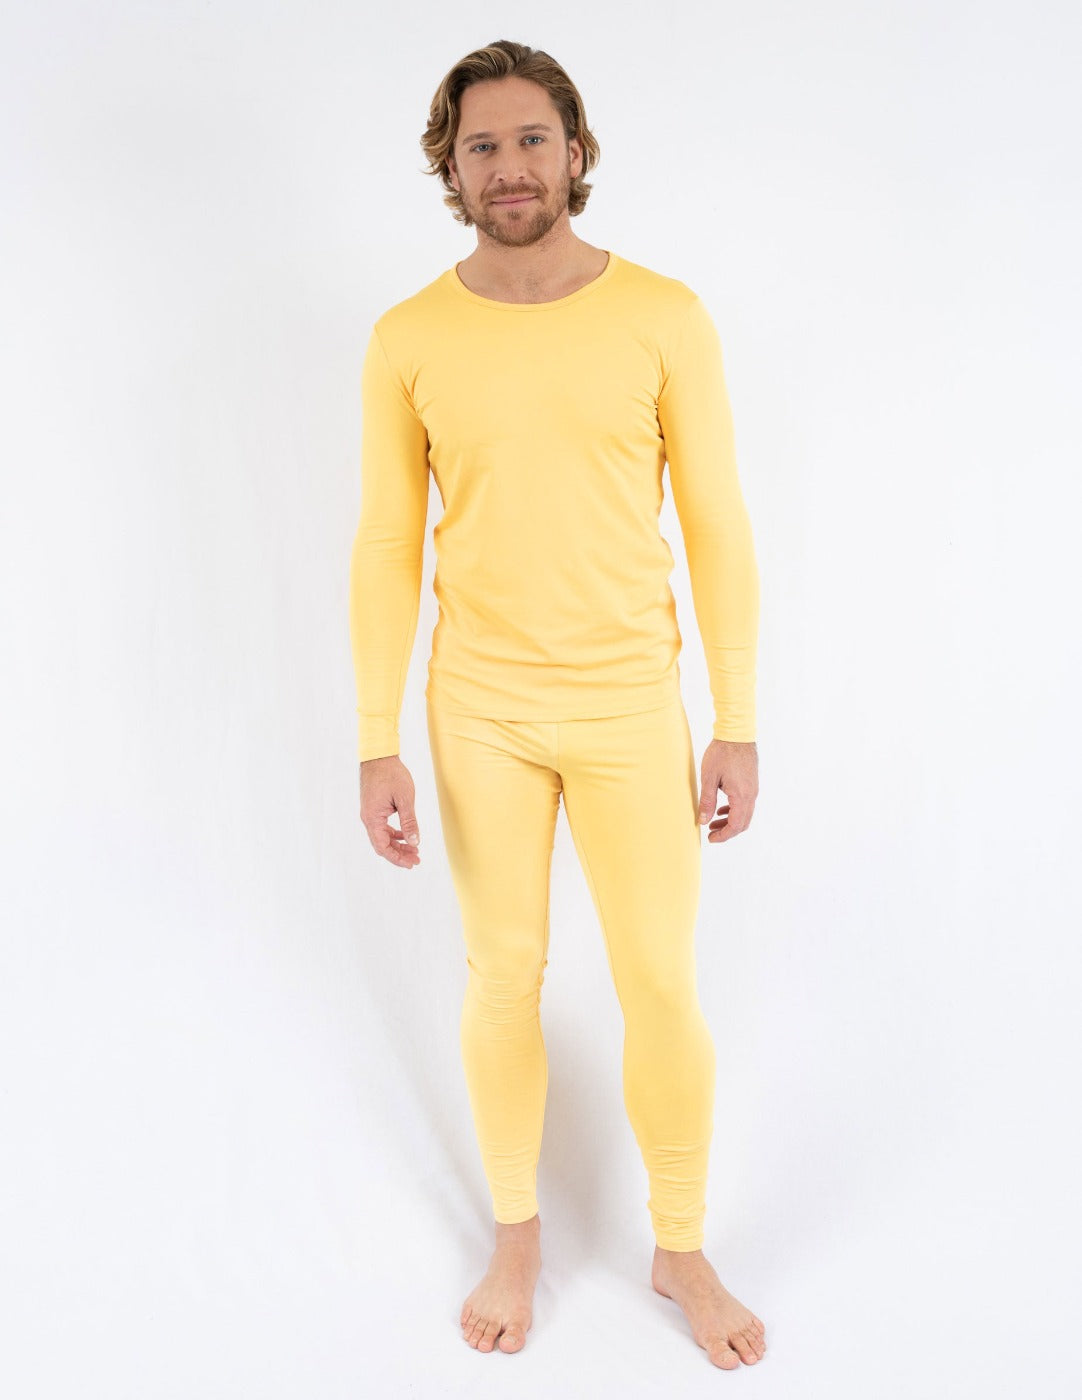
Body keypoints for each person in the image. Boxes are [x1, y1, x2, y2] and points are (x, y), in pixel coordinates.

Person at [349, 39, 766, 1370]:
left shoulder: (664, 316)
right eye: (481, 145)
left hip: (630, 703)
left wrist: (736, 716)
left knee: (659, 981)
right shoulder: (408, 337)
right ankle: (517, 1233)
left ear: (574, 152)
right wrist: (375, 741)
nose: (510, 165)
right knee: (501, 975)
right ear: (451, 168)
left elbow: (716, 522)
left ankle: (680, 1244)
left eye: (532, 138)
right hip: (478, 709)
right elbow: (385, 544)